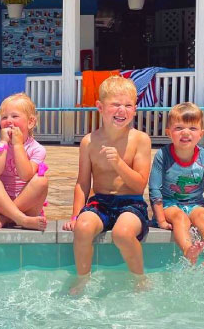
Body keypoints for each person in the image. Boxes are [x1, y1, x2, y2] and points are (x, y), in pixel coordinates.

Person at [62, 76, 152, 294]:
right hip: (100, 201)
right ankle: (82, 279)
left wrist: (119, 163)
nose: (122, 110)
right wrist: (75, 215)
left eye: (128, 105)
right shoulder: (89, 142)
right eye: (115, 105)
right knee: (82, 229)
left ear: (135, 109)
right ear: (100, 107)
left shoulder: (140, 139)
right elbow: (83, 183)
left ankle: (140, 279)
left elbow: (139, 185)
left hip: (131, 203)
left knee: (122, 233)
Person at [148, 102, 204, 272]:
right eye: (179, 128)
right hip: (169, 204)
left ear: (201, 134)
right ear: (169, 133)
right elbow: (155, 189)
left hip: (195, 203)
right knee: (180, 218)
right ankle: (188, 250)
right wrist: (160, 219)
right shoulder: (163, 155)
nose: (186, 132)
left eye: (192, 128)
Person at [0, 92, 48, 231]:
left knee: (41, 181)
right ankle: (21, 219)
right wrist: (3, 143)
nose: (9, 121)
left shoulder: (37, 149)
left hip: (27, 207)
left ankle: (5, 218)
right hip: (1, 204)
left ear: (30, 122)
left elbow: (26, 175)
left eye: (15, 116)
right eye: (4, 117)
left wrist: (18, 145)